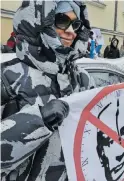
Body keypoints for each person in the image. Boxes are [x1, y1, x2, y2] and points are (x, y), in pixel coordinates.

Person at [1, 1, 93, 180]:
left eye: (76, 24)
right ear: (37, 21)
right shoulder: (6, 77)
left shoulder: (83, 78)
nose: (71, 32)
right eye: (61, 20)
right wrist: (38, 119)